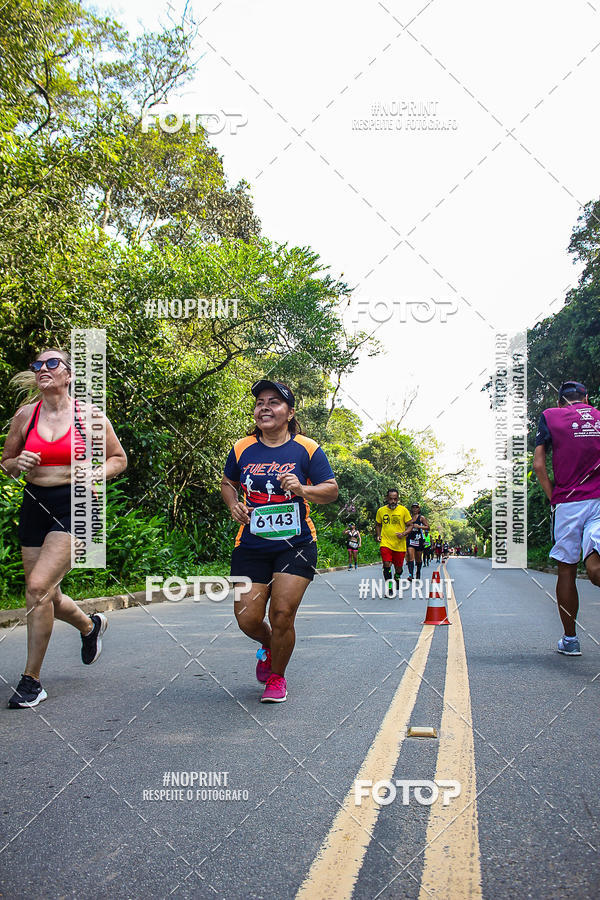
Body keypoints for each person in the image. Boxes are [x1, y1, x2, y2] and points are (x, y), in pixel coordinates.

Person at [1, 349, 127, 708]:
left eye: (52, 363)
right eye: (37, 365)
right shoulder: (26, 416)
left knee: (37, 586)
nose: (43, 369)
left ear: (69, 374)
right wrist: (16, 462)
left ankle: (32, 681)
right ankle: (90, 627)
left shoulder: (90, 416)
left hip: (77, 504)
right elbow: (7, 463)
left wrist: (98, 472)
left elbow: (119, 458)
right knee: (48, 596)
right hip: (34, 504)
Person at [221, 379, 338, 702]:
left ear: (289, 412)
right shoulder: (242, 448)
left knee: (283, 613)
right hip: (251, 545)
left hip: (296, 544)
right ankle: (269, 645)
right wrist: (234, 504)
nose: (265, 407)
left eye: (274, 402)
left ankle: (277, 677)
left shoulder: (307, 448)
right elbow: (228, 482)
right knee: (247, 619)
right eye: (260, 402)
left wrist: (302, 489)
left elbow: (330, 490)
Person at [533, 380, 600, 656]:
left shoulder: (550, 416)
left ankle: (570, 640)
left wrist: (554, 496)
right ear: (586, 398)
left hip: (569, 504)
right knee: (595, 570)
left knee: (567, 570)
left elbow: (538, 465)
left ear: (560, 402)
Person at [375, 489, 413, 591]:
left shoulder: (403, 510)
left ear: (398, 499)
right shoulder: (381, 511)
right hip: (385, 542)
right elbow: (378, 525)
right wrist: (378, 535)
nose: (393, 501)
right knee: (386, 564)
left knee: (399, 569)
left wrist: (404, 533)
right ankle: (390, 587)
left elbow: (410, 525)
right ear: (387, 498)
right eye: (391, 499)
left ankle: (397, 577)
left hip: (399, 544)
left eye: (395, 499)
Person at [406, 503, 429, 581]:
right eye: (413, 507)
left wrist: (419, 526)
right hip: (410, 539)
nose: (415, 509)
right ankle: (410, 574)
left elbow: (427, 527)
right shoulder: (408, 517)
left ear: (419, 509)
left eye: (416, 507)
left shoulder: (421, 518)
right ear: (411, 509)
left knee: (418, 559)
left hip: (419, 539)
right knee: (410, 557)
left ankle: (418, 571)